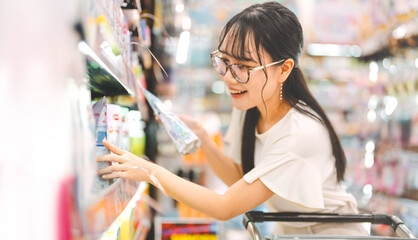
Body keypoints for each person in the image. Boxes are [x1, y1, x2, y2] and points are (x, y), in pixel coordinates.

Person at [98, 1, 368, 236]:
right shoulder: (251, 105)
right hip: (291, 233)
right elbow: (241, 178)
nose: (228, 76)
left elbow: (225, 206)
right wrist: (203, 138)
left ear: (284, 69)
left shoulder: (300, 135)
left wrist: (149, 171)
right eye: (224, 62)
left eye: (243, 67)